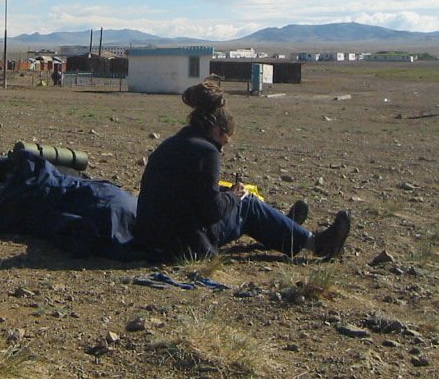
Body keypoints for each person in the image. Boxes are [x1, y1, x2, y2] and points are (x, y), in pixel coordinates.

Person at [135, 77, 351, 261]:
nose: (222, 149)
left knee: (236, 200)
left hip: (152, 239)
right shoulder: (206, 152)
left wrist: (222, 192)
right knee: (248, 205)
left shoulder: (174, 143)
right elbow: (212, 211)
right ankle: (316, 244)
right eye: (224, 142)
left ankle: (284, 229)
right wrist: (233, 196)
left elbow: (186, 192)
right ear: (217, 130)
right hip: (183, 246)